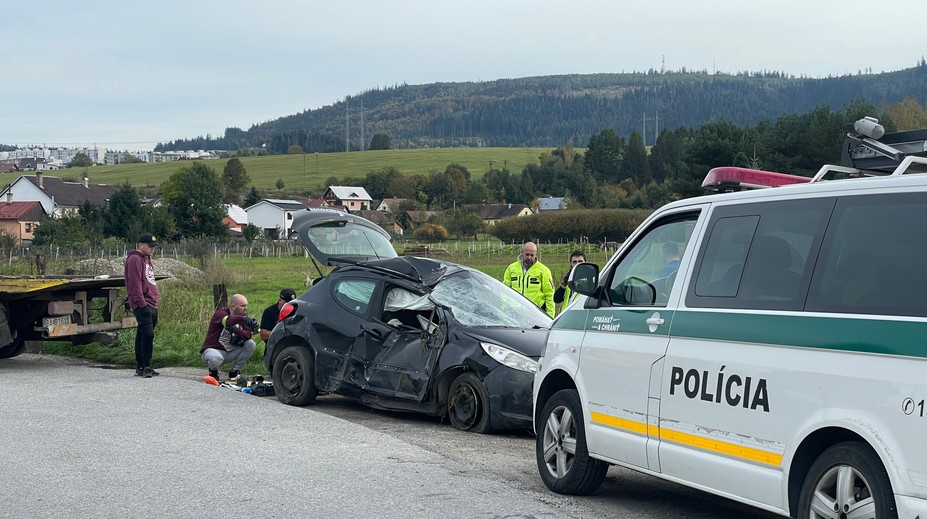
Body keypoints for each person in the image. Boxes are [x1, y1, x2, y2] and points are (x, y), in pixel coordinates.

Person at [125, 233, 160, 378]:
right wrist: (142, 304)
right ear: (141, 245)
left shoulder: (147, 259)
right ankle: (146, 365)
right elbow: (135, 284)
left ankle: (140, 365)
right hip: (142, 303)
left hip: (152, 302)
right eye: (149, 246)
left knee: (142, 333)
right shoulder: (134, 259)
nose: (152, 249)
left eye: (153, 247)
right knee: (147, 334)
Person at [200, 293, 258, 382]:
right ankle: (213, 373)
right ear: (233, 306)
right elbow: (227, 320)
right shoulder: (220, 314)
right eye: (243, 306)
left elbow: (249, 334)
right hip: (212, 350)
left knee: (251, 344)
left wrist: (238, 330)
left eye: (246, 306)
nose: (245, 308)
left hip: (229, 352)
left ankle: (234, 371)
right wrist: (243, 319)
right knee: (216, 358)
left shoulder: (242, 317)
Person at [502, 241, 555, 318]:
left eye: (532, 255)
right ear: (522, 253)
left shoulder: (544, 271)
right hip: (514, 313)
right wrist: (504, 310)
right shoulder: (511, 269)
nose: (529, 258)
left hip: (535, 313)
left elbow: (550, 295)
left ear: (536, 254)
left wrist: (550, 317)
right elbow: (504, 291)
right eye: (527, 255)